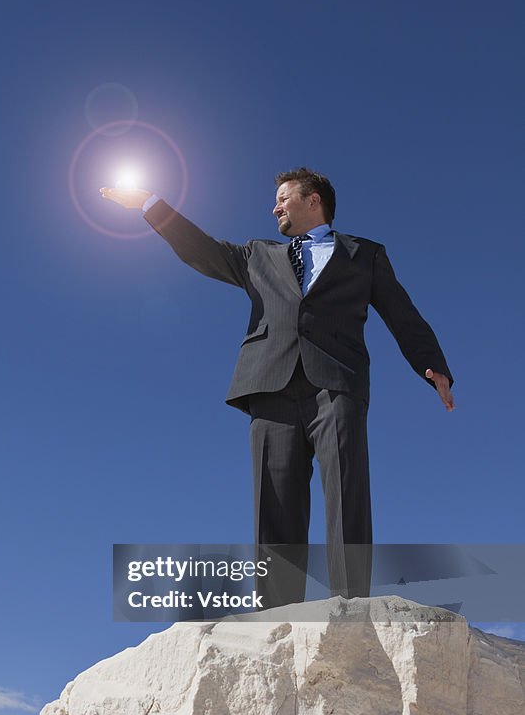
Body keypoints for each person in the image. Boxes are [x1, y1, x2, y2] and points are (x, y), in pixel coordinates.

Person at [100, 168, 454, 604]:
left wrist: (431, 364)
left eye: (284, 198)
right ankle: (278, 610)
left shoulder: (365, 254)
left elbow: (403, 314)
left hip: (336, 384)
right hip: (270, 386)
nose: (276, 207)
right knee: (275, 505)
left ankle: (351, 605)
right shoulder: (256, 255)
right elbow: (203, 251)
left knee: (347, 491)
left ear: (314, 201)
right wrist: (150, 204)